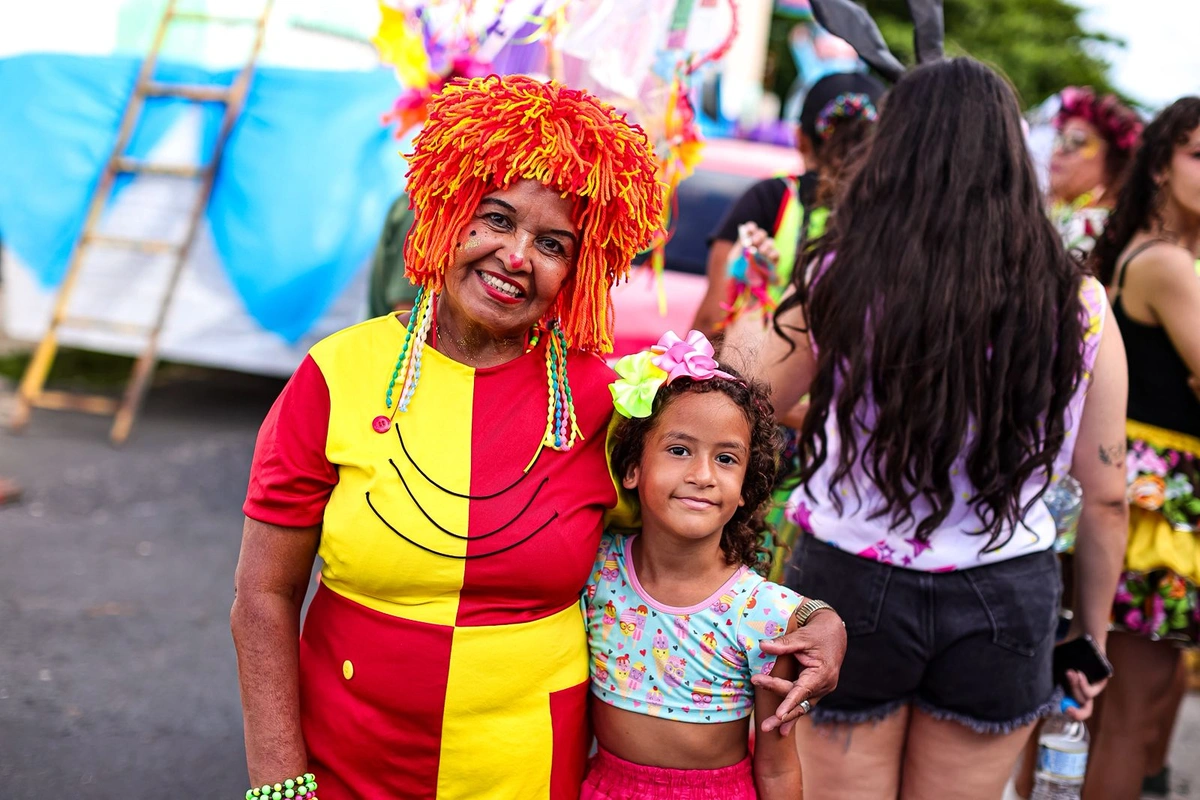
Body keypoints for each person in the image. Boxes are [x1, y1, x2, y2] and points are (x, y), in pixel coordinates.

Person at [231, 74, 849, 800]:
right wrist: (276, 775)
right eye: (495, 219)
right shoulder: (335, 374)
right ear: (448, 211)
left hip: (527, 774)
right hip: (343, 763)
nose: (517, 255)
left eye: (552, 242)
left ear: (576, 270)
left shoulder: (609, 400)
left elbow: (694, 549)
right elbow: (263, 593)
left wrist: (815, 619)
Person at [730, 58, 1130, 799]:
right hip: (1006, 595)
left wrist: (754, 295)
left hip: (849, 584)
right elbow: (1106, 494)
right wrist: (1093, 638)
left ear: (895, 153)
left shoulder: (842, 277)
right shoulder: (1079, 305)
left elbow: (743, 400)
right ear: (1015, 159)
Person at [582, 330, 810, 799]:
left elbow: (778, 769)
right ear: (632, 467)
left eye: (726, 458)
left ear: (746, 486)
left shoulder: (767, 617)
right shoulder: (593, 571)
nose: (702, 475)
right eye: (679, 450)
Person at [1083, 96, 1200, 800]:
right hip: (1157, 509)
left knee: (1128, 708)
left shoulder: (1163, 257)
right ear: (1158, 166)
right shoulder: (1166, 265)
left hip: (1150, 494)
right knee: (1131, 713)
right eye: (1198, 155)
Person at [692, 71, 885, 335]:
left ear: (799, 138)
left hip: (766, 371)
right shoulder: (895, 214)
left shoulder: (768, 199)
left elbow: (710, 323)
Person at [1048, 86, 1142, 258]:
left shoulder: (1092, 226)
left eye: (1076, 141)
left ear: (1114, 163)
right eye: (1059, 139)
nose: (1059, 151)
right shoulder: (1055, 213)